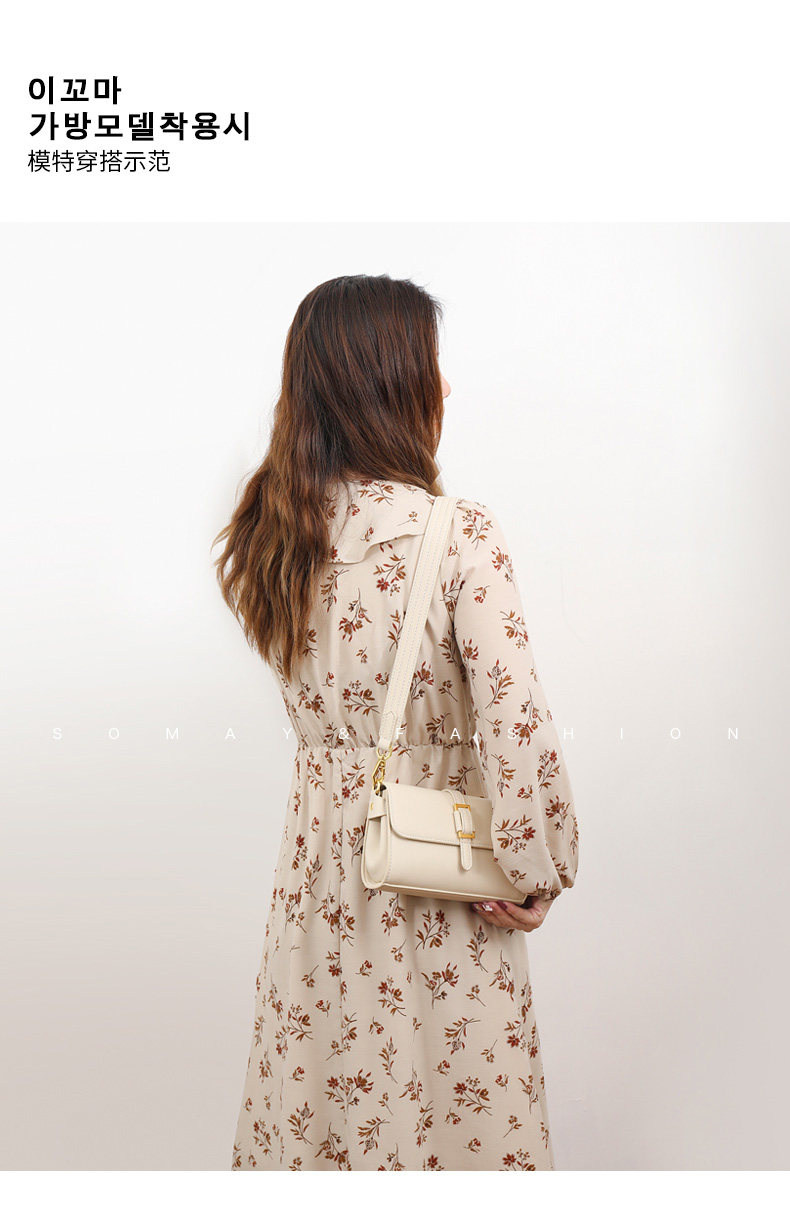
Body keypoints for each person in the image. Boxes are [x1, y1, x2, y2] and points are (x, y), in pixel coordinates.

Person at [214, 274, 579, 1171]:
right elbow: (518, 724)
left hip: (314, 893)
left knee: (328, 1118)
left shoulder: (277, 538)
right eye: (431, 364)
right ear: (390, 382)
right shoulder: (458, 536)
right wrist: (538, 866)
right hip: (436, 882)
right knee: (453, 1124)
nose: (446, 385)